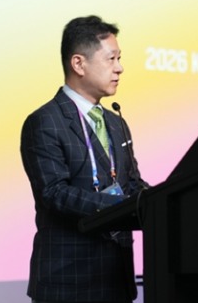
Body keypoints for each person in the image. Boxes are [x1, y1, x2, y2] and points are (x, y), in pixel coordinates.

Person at [20, 15, 148, 303]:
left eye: (120, 58)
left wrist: (158, 200)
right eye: (111, 59)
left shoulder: (116, 122)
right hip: (68, 282)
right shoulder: (45, 121)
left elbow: (132, 184)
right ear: (79, 64)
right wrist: (121, 207)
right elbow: (54, 192)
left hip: (116, 280)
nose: (120, 68)